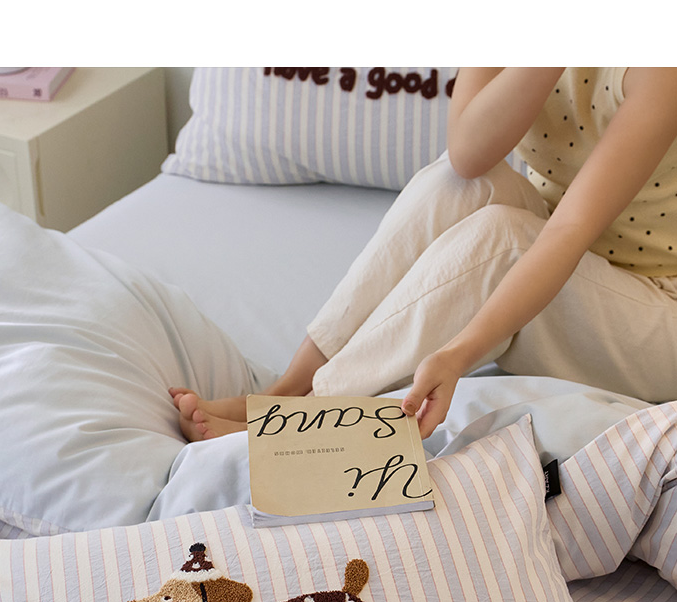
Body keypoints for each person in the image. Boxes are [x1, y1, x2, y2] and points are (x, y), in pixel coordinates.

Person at [172, 67, 677, 442]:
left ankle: (303, 422)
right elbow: (468, 155)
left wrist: (460, 353)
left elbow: (568, 230)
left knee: (506, 237)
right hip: (572, 265)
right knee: (460, 182)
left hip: (658, 313)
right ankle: (286, 391)